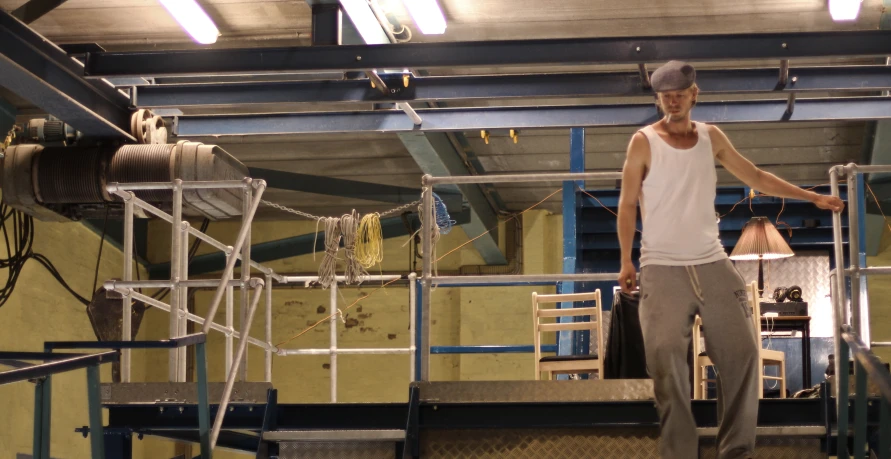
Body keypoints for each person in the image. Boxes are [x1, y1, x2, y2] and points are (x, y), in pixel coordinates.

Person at [616, 61, 844, 459]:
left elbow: (755, 175)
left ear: (693, 94)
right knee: (666, 360)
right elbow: (627, 203)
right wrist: (625, 261)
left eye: (679, 94)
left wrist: (813, 197)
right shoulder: (643, 141)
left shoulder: (711, 137)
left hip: (712, 263)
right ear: (658, 99)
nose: (672, 101)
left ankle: (735, 451)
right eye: (664, 96)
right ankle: (680, 451)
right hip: (661, 267)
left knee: (742, 355)